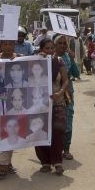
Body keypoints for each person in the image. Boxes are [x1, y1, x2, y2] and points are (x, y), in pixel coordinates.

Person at [34, 38, 68, 175]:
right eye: (46, 48)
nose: (49, 51)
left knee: (57, 131)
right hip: (39, 104)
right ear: (41, 49)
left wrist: (60, 92)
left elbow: (65, 80)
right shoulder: (35, 62)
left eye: (51, 48)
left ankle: (57, 162)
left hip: (57, 102)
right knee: (40, 132)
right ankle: (45, 162)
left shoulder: (59, 61)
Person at [55, 35, 79, 161]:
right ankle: (54, 150)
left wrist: (73, 60)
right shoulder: (50, 56)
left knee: (68, 121)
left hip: (67, 94)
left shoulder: (68, 57)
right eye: (60, 43)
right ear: (55, 45)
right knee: (54, 122)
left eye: (65, 43)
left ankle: (66, 149)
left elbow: (77, 74)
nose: (63, 45)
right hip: (53, 94)